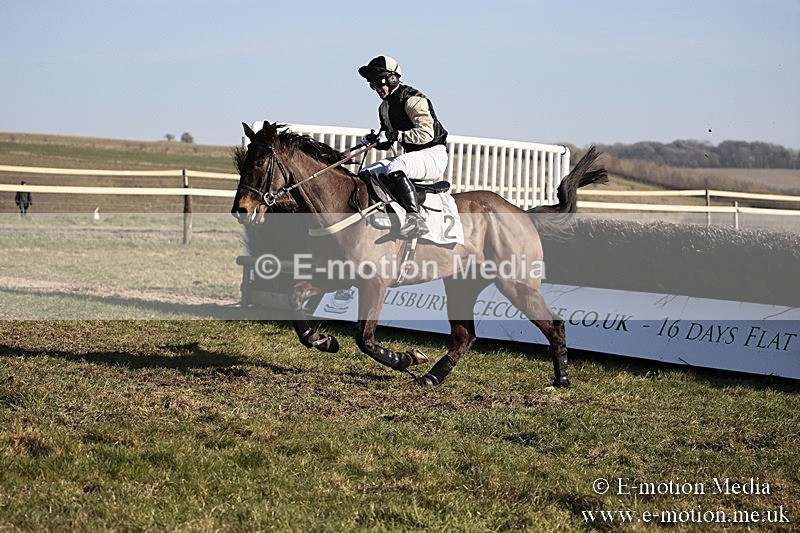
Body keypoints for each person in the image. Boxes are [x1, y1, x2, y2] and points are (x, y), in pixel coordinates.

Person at [358, 55, 448, 237]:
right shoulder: (384, 108)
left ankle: (415, 218)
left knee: (395, 167)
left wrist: (393, 135)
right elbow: (387, 140)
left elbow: (426, 134)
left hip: (432, 154)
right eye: (372, 85)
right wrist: (374, 139)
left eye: (378, 83)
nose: (376, 89)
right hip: (412, 156)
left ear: (392, 78)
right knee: (367, 171)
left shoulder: (413, 100)